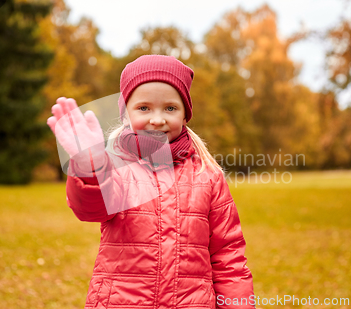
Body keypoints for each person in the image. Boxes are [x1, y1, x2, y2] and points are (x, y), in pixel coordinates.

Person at [47, 55, 254, 309]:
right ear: (126, 115)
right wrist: (90, 166)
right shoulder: (116, 168)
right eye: (144, 108)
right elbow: (90, 207)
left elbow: (228, 257)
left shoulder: (208, 175)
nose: (157, 119)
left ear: (186, 115)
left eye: (170, 108)